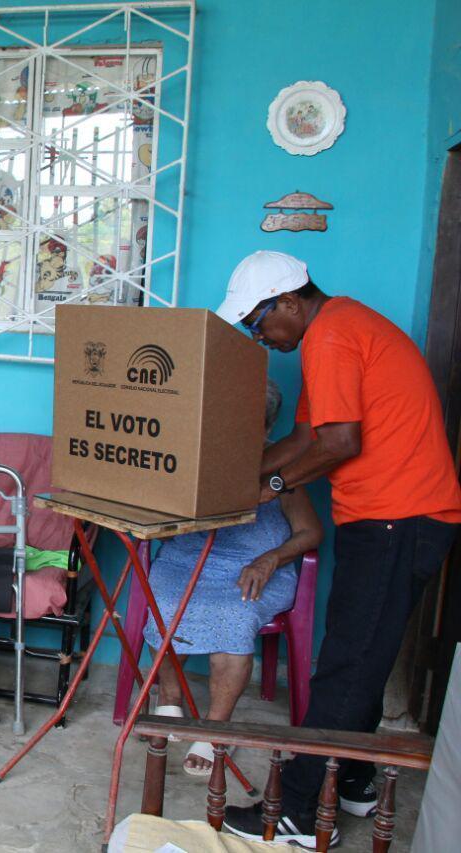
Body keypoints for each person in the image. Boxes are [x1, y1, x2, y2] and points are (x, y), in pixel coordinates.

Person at [213, 251, 461, 849]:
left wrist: (270, 488)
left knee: (347, 663)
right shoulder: (337, 329)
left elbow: (341, 442)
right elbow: (303, 439)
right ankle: (352, 779)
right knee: (366, 655)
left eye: (257, 322)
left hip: (399, 518)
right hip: (390, 517)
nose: (258, 337)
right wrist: (230, 474)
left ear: (290, 302)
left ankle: (295, 810)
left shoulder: (331, 336)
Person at [145, 380, 323, 776]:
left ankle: (214, 728)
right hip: (187, 560)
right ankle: (170, 694)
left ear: (265, 429)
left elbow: (311, 532)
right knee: (164, 600)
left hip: (254, 568)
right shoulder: (194, 458)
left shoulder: (279, 468)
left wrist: (270, 559)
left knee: (235, 614)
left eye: (249, 423)